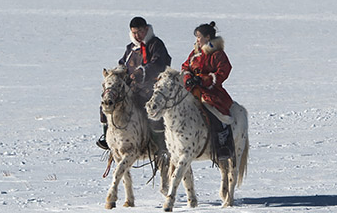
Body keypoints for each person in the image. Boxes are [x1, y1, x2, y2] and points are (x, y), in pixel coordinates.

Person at [98, 16, 171, 150]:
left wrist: (141, 72)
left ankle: (159, 143)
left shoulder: (156, 45)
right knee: (108, 102)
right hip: (132, 87)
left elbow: (159, 64)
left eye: (140, 32)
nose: (137, 36)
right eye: (134, 33)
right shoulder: (131, 48)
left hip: (152, 88)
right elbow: (123, 65)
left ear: (146, 29)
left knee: (151, 110)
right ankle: (108, 137)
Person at [181, 21, 235, 159]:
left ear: (208, 37)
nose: (197, 40)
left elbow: (223, 71)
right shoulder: (195, 53)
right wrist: (188, 78)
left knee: (213, 111)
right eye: (197, 37)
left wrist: (204, 79)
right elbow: (186, 67)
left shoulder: (217, 54)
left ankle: (222, 140)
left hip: (211, 92)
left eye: (199, 37)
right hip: (193, 90)